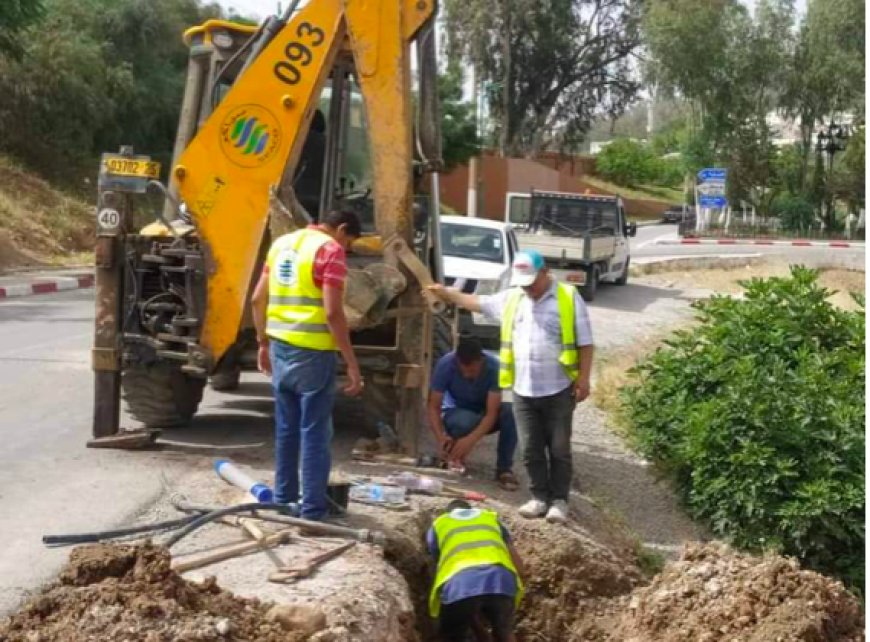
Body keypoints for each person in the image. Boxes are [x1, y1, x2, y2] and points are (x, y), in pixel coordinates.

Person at [429, 250, 593, 524]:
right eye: (523, 282)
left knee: (559, 448)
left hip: (559, 388)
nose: (528, 287)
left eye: (532, 281)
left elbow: (585, 342)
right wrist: (447, 293)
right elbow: (478, 302)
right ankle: (539, 497)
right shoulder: (514, 297)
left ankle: (559, 500)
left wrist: (584, 379)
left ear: (545, 273)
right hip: (523, 388)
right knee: (530, 448)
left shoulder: (567, 297)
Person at [251, 209, 364, 520]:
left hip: (280, 349)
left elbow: (257, 299)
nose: (348, 249)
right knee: (315, 433)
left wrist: (262, 343)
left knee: (287, 429)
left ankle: (284, 501)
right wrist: (351, 363)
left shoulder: (281, 244)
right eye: (350, 241)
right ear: (341, 230)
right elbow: (332, 313)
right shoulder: (330, 250)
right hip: (313, 355)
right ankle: (313, 511)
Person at [428, 336, 519, 490]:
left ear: (481, 361)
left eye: (471, 371)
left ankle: (504, 469)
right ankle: (454, 457)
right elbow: (433, 406)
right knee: (463, 421)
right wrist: (440, 436)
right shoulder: (445, 365)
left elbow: (492, 413)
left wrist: (470, 440)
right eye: (463, 370)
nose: (466, 375)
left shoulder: (495, 367)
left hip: (484, 412)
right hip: (457, 412)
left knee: (511, 413)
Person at [428, 500, 525, 642]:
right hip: (500, 579)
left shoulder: (439, 524)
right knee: (504, 631)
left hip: (460, 584)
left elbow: (438, 562)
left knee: (454, 635)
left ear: (448, 513)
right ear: (470, 509)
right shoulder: (490, 518)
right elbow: (516, 559)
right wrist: (520, 577)